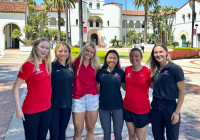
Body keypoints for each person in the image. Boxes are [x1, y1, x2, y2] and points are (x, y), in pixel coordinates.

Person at [12, 37, 52, 140]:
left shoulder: (46, 64)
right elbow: (15, 88)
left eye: (47, 48)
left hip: (46, 109)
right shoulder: (28, 65)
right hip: (31, 110)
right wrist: (18, 110)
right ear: (35, 47)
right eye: (42, 47)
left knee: (42, 138)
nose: (44, 50)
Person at [146, 43, 185, 140]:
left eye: (161, 51)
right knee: (157, 137)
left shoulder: (175, 69)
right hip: (155, 108)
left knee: (172, 137)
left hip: (170, 108)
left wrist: (176, 112)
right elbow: (154, 85)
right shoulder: (154, 69)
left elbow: (182, 92)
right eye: (156, 52)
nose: (158, 54)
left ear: (166, 52)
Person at [72, 43, 101, 140]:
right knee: (78, 132)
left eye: (91, 52)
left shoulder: (96, 66)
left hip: (92, 99)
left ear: (94, 54)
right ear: (83, 50)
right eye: (87, 50)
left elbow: (99, 82)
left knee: (90, 130)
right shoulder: (74, 63)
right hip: (78, 99)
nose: (89, 53)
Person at [123, 48, 153, 140]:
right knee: (131, 136)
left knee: (141, 137)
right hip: (128, 108)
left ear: (141, 57)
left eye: (136, 56)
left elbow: (154, 87)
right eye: (131, 56)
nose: (133, 58)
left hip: (142, 110)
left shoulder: (147, 71)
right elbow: (125, 87)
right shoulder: (127, 69)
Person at [96, 50, 125, 140]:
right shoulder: (100, 72)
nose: (112, 60)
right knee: (106, 133)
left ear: (117, 60)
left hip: (118, 106)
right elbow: (96, 87)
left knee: (118, 133)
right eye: (110, 58)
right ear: (106, 59)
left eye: (114, 58)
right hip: (103, 106)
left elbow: (125, 88)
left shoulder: (120, 72)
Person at [49, 42, 74, 140]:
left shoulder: (71, 66)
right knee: (54, 134)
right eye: (60, 51)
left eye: (65, 51)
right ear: (55, 52)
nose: (63, 53)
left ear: (69, 52)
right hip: (53, 105)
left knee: (62, 132)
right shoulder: (51, 66)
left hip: (67, 105)